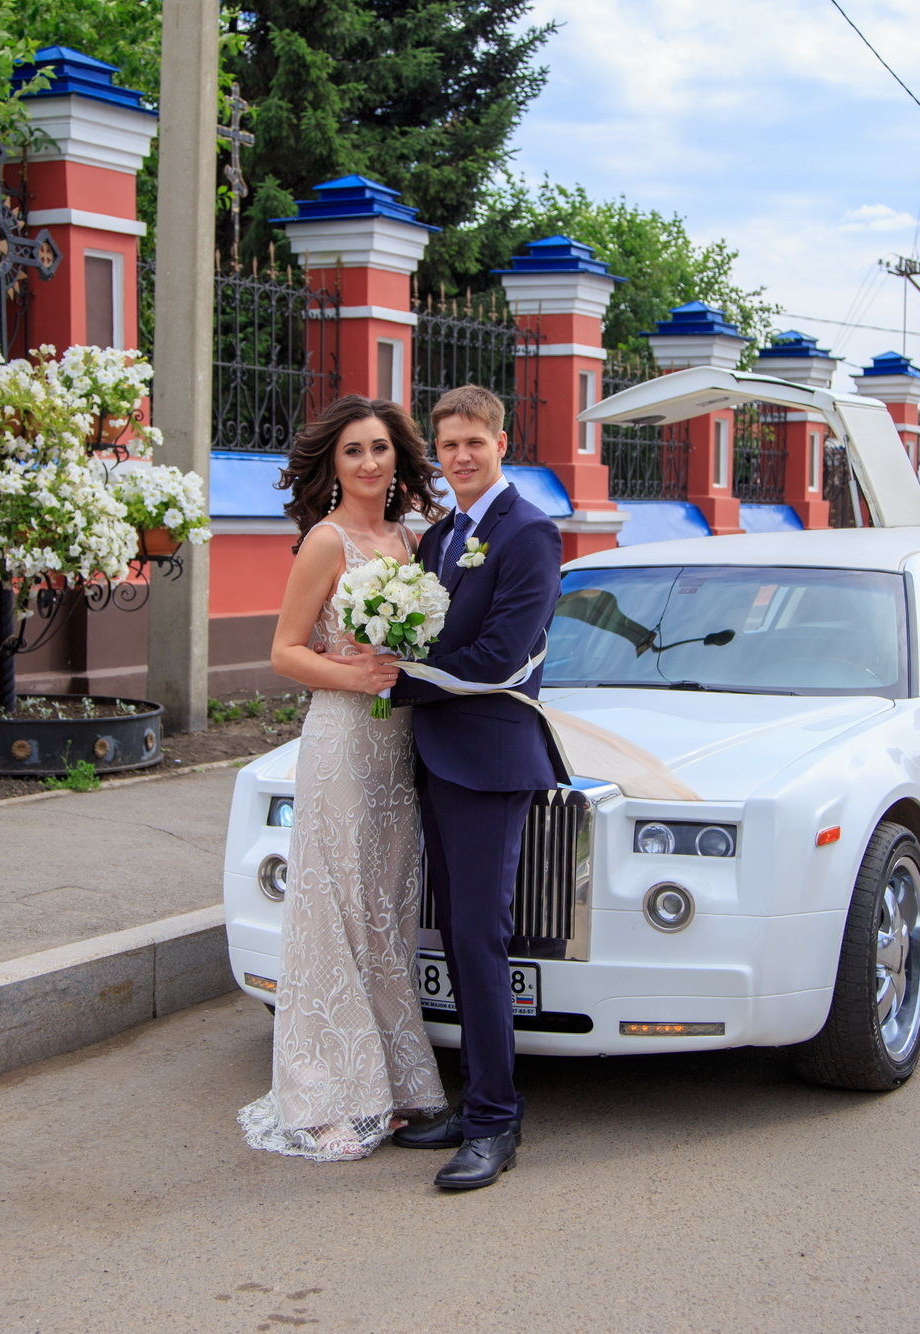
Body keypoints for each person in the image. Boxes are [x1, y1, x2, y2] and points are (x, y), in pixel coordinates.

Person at [238, 394, 451, 1161]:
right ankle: (327, 1095)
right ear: (334, 464)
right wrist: (354, 677)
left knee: (386, 910)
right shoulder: (325, 543)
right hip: (340, 741)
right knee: (333, 909)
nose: (369, 462)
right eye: (354, 451)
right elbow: (284, 651)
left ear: (400, 458)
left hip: (400, 746)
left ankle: (396, 1085)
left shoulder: (414, 538)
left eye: (381, 449)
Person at [388, 384, 567, 1191]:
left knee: (479, 940)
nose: (460, 456)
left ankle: (497, 1120)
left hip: (491, 763)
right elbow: (421, 624)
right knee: (452, 937)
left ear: (501, 441)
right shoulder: (439, 537)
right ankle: (475, 1098)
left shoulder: (528, 533)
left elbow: (501, 655)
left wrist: (392, 679)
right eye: (447, 444)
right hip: (435, 755)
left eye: (474, 442)